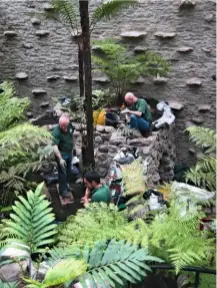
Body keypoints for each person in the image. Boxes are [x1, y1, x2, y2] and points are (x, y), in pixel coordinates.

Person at [52, 114, 74, 203]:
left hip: (69, 153)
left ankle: (66, 186)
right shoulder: (56, 131)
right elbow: (54, 146)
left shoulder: (70, 125)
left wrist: (73, 147)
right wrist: (60, 159)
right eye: (62, 126)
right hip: (62, 154)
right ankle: (62, 191)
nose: (64, 128)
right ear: (59, 124)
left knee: (69, 170)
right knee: (62, 173)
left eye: (65, 126)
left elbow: (71, 135)